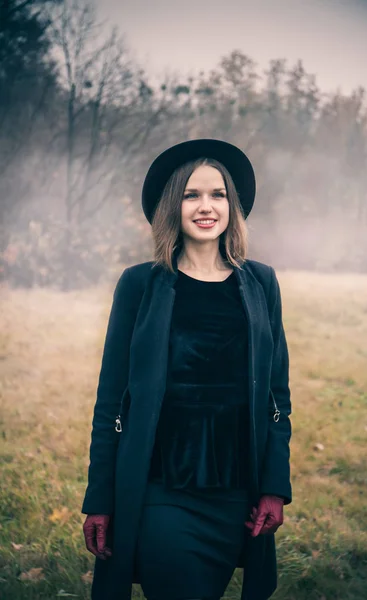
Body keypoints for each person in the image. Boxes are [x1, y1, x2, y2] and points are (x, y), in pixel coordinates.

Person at [81, 139, 292, 600]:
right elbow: (111, 398)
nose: (206, 206)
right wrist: (99, 498)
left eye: (217, 194)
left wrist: (275, 487)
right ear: (172, 206)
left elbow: (278, 397)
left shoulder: (260, 284)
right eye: (191, 194)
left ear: (232, 207)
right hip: (163, 491)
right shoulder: (140, 284)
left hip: (237, 493)